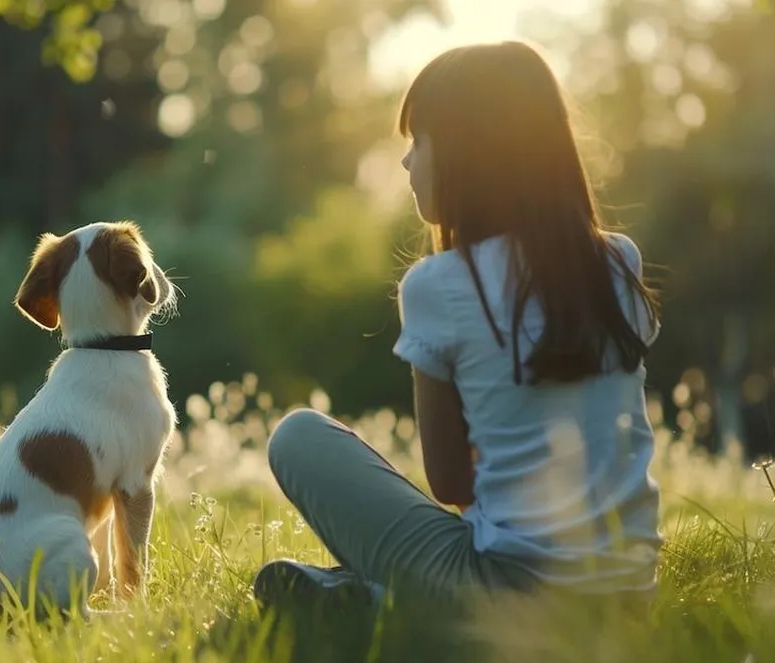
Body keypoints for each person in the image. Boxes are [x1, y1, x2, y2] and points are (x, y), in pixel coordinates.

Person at [252, 39, 663, 613]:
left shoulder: (438, 285)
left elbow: (449, 483)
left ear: (471, 151)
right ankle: (364, 603)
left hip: (507, 592)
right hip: (629, 596)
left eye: (419, 141)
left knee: (297, 436)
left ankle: (377, 607)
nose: (405, 161)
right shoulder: (619, 260)